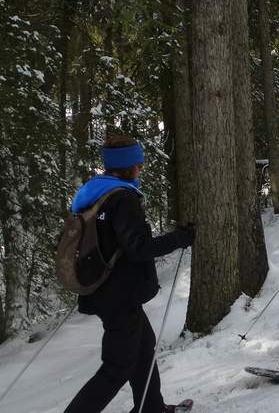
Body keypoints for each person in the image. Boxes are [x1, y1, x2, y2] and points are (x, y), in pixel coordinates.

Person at [65, 136, 194, 413]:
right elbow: (139, 248)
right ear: (128, 166)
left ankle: (152, 409)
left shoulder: (95, 194)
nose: (141, 168)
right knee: (116, 368)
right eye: (138, 163)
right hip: (118, 296)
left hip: (104, 289)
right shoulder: (123, 199)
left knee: (144, 351)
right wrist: (181, 238)